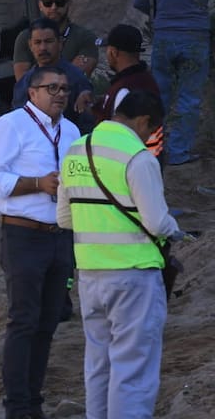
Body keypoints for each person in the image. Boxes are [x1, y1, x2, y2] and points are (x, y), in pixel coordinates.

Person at [57, 90, 180, 419]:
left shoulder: (75, 150)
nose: (149, 137)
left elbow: (64, 219)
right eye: (151, 130)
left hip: (90, 276)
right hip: (134, 276)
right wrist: (176, 229)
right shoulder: (138, 157)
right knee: (133, 370)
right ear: (143, 121)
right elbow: (156, 222)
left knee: (99, 365)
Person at [0, 65, 81, 419]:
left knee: (49, 321)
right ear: (32, 92)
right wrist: (38, 184)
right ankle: (17, 406)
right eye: (51, 88)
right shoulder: (11, 124)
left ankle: (33, 401)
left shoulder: (70, 131)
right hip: (23, 234)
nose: (60, 94)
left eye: (65, 89)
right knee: (23, 320)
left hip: (60, 236)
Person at [133, 0, 211, 165]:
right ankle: (178, 152)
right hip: (196, 38)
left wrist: (160, 14)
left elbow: (139, 1)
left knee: (159, 95)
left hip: (165, 38)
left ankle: (152, 150)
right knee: (189, 98)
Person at [92, 24, 164, 163]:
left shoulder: (125, 90)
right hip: (147, 162)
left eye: (107, 50)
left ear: (114, 52)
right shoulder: (145, 80)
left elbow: (119, 137)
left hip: (129, 168)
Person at [12, 18, 95, 130]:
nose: (43, 48)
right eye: (37, 42)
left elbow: (86, 125)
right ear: (30, 45)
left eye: (48, 41)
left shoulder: (76, 78)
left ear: (60, 43)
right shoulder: (24, 83)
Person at [13, 0, 99, 81]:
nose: (54, 7)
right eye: (48, 3)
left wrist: (38, 76)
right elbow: (23, 82)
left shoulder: (85, 37)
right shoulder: (25, 37)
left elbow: (79, 78)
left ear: (68, 4)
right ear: (40, 5)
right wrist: (69, 68)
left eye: (60, 2)